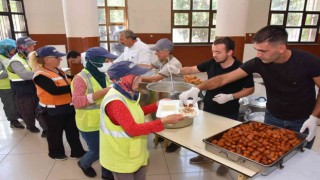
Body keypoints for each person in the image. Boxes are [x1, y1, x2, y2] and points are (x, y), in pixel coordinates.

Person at [179, 25, 320, 150]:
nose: (258, 55)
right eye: (256, 50)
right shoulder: (258, 62)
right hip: (273, 117)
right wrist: (197, 89)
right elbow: (224, 78)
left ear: (281, 48)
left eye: (263, 51)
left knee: (301, 155)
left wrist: (314, 117)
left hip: (303, 119)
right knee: (270, 151)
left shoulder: (308, 61)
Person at [170, 37, 255, 175]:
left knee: (226, 137)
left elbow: (250, 89)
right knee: (207, 133)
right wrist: (178, 70)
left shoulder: (242, 69)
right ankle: (205, 156)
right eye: (213, 51)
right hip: (209, 106)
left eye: (218, 52)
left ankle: (224, 162)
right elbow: (192, 69)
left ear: (230, 52)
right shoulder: (212, 63)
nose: (214, 55)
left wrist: (230, 96)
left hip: (228, 109)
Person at [100, 61, 185, 180]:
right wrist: (163, 121)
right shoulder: (115, 102)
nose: (140, 80)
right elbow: (132, 129)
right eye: (136, 76)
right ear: (120, 79)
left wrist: (157, 105)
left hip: (134, 154)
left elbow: (136, 112)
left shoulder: (127, 93)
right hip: (121, 158)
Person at [30, 46, 86, 160]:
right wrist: (76, 87)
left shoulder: (59, 70)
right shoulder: (40, 75)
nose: (60, 59)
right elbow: (54, 91)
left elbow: (69, 79)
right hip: (52, 110)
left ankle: (77, 151)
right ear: (46, 59)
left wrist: (80, 79)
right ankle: (56, 153)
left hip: (68, 106)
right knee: (55, 133)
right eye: (57, 57)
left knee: (72, 131)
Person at [71, 47, 117, 179]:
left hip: (106, 121)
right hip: (89, 123)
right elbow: (77, 102)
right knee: (97, 151)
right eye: (106, 60)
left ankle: (106, 174)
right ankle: (84, 163)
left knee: (107, 148)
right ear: (96, 61)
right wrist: (105, 91)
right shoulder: (81, 78)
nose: (110, 62)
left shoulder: (105, 75)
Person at [141, 38, 183, 153]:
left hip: (174, 93)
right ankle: (161, 135)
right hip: (164, 91)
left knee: (174, 118)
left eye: (157, 51)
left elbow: (156, 78)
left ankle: (176, 143)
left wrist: (137, 78)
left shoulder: (173, 63)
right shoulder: (161, 60)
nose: (155, 53)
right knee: (162, 115)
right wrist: (131, 66)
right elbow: (149, 66)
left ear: (167, 51)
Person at [7, 36, 47, 135]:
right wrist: (41, 73)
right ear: (21, 47)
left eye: (32, 45)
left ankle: (46, 128)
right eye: (29, 46)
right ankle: (30, 126)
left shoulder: (32, 57)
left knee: (40, 109)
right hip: (22, 90)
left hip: (35, 87)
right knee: (27, 111)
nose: (32, 48)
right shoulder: (15, 60)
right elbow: (24, 74)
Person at [0, 39, 24, 129]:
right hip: (4, 86)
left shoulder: (8, 57)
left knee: (16, 102)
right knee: (10, 104)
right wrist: (12, 71)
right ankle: (13, 120)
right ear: (5, 48)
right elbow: (1, 74)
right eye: (12, 48)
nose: (14, 50)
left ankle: (18, 115)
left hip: (13, 84)